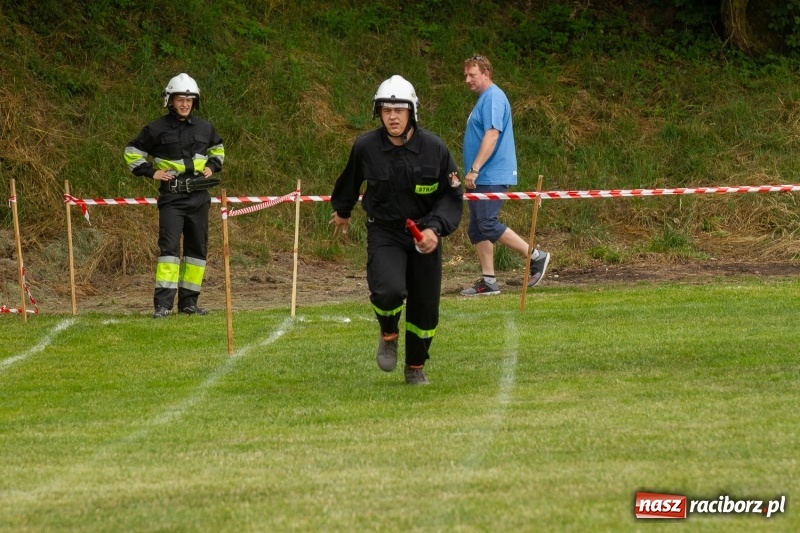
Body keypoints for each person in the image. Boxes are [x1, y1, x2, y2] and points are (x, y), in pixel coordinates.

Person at [330, 75, 463, 385]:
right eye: (386, 110)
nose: (392, 117)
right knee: (388, 291)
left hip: (424, 235)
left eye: (399, 110)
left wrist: (435, 229)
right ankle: (388, 333)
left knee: (425, 307)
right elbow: (350, 180)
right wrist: (343, 211)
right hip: (385, 232)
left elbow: (451, 195)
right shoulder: (366, 146)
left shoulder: (435, 148)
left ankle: (415, 367)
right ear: (378, 113)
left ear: (412, 112)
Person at [124, 73, 225, 318]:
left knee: (196, 251)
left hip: (199, 197)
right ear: (170, 100)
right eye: (180, 99)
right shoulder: (155, 128)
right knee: (169, 251)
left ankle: (189, 303)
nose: (185, 104)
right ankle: (163, 305)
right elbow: (131, 152)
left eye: (189, 100)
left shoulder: (205, 127)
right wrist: (151, 172)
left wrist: (213, 165)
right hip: (172, 198)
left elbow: (218, 148)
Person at [460, 55, 550, 296]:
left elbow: (492, 134)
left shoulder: (493, 98)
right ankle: (489, 281)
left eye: (472, 75)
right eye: (466, 75)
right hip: (481, 176)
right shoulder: (485, 99)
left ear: (486, 73)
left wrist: (475, 169)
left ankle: (536, 256)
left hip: (489, 174)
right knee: (477, 228)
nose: (467, 80)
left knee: (487, 223)